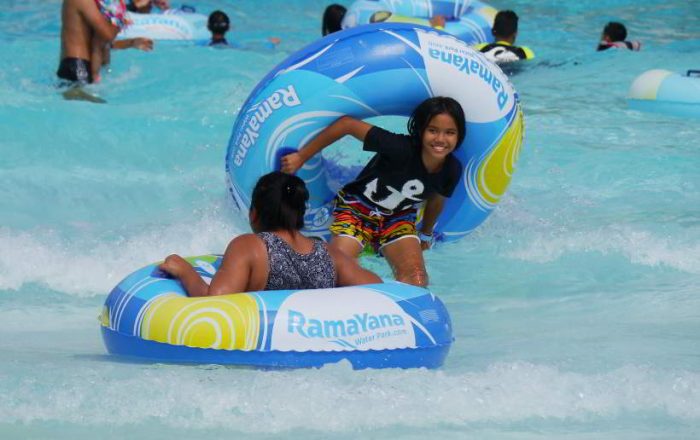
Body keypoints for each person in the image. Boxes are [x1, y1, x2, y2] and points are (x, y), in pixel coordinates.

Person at [280, 97, 465, 288]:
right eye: (433, 130)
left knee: (417, 277)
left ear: (459, 136)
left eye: (449, 133)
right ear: (421, 131)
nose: (440, 139)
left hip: (398, 217)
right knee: (337, 270)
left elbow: (436, 200)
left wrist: (426, 235)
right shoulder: (398, 147)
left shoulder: (452, 169)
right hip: (356, 209)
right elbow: (347, 124)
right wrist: (302, 156)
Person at [159, 172, 382, 297]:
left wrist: (185, 271)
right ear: (300, 214)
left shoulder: (248, 246)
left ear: (254, 214)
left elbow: (215, 303)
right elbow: (376, 287)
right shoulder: (328, 254)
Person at [57, 0, 126, 86]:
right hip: (78, 68)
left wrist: (130, 43)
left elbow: (102, 40)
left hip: (74, 66)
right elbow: (108, 34)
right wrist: (120, 18)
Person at [206, 10, 280, 48]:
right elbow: (260, 51)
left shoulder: (200, 44)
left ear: (208, 27)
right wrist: (271, 44)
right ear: (228, 28)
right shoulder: (235, 46)